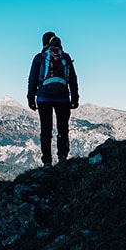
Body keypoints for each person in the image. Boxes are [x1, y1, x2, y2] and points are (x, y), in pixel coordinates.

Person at [27, 31, 79, 167]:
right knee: (62, 128)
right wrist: (75, 98)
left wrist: (31, 98)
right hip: (63, 98)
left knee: (46, 129)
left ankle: (47, 162)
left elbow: (32, 79)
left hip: (43, 98)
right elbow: (72, 79)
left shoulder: (40, 57)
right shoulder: (65, 57)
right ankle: (62, 156)